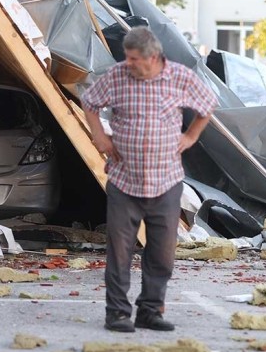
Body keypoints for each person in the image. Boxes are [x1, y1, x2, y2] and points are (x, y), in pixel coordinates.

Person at [82, 27, 218, 333]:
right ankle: (116, 313)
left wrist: (191, 135)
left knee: (162, 252)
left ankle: (150, 311)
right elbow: (89, 102)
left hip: (166, 182)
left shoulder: (180, 77)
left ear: (152, 57)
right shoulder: (118, 76)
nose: (127, 63)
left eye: (133, 59)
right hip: (124, 181)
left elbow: (209, 104)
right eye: (126, 57)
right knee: (120, 250)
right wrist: (99, 136)